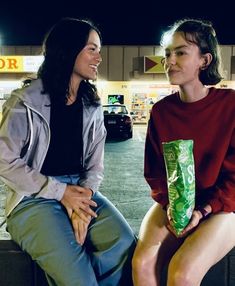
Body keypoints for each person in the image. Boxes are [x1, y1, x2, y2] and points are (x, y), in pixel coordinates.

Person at [0, 17, 136, 286]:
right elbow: (3, 160)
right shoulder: (25, 102)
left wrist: (82, 203)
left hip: (81, 191)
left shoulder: (92, 104)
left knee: (122, 242)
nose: (99, 57)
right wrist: (60, 193)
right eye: (92, 49)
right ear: (68, 49)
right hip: (32, 199)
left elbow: (95, 166)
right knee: (78, 276)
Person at [132, 18, 235, 286]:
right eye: (167, 54)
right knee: (142, 263)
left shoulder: (230, 105)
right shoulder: (161, 111)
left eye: (180, 52)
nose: (170, 61)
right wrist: (171, 205)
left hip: (224, 206)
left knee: (182, 272)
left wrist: (202, 210)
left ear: (205, 60)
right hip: (175, 204)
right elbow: (154, 173)